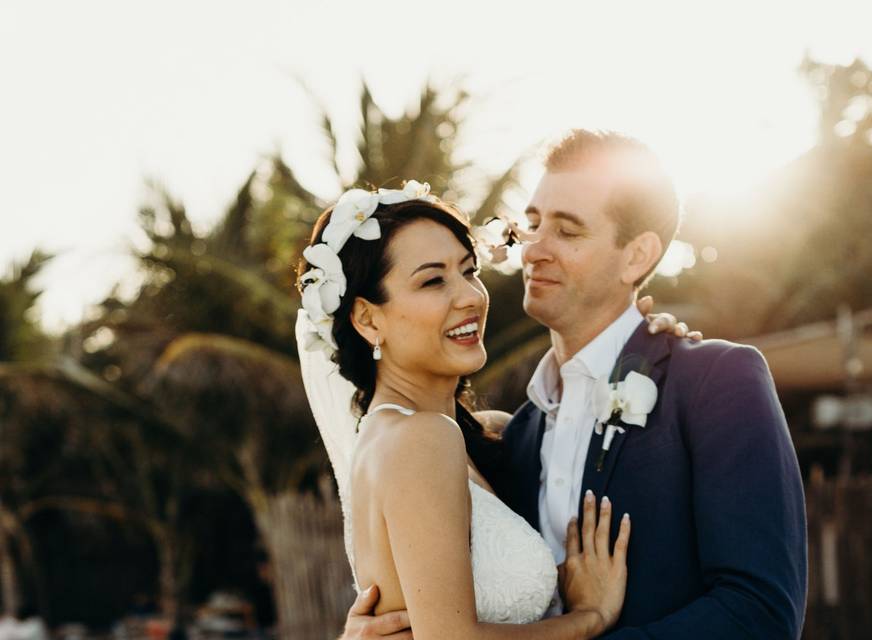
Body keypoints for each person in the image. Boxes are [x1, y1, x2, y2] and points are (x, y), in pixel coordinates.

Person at [340, 130, 808, 639]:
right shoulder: (508, 440)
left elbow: (760, 615)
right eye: (535, 223)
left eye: (567, 231)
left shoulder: (715, 382)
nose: (534, 249)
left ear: (637, 256)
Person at [296, 181, 633, 639]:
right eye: (433, 280)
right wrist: (588, 618)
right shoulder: (421, 438)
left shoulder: (453, 436)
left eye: (469, 270)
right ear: (367, 319)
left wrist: (638, 342)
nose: (471, 296)